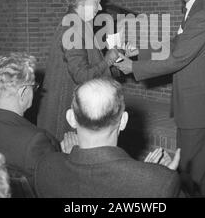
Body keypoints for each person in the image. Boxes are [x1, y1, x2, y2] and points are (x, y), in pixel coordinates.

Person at [115, 0, 205, 197]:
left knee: (192, 179)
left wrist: (134, 68)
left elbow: (177, 58)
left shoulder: (203, 14)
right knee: (191, 175)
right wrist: (142, 51)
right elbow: (178, 43)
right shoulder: (195, 7)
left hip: (202, 111)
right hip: (195, 108)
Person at [35, 77, 181, 198]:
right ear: (123, 121)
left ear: (71, 118)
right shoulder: (160, 182)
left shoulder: (45, 167)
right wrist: (158, 175)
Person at [37, 0, 119, 140]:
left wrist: (115, 56)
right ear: (81, 4)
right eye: (96, 3)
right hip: (68, 111)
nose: (100, 8)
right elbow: (81, 75)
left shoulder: (77, 24)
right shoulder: (74, 29)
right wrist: (107, 61)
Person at [0, 52, 61, 188]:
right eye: (34, 86)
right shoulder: (35, 141)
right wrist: (65, 159)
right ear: (23, 92)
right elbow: (56, 186)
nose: (35, 91)